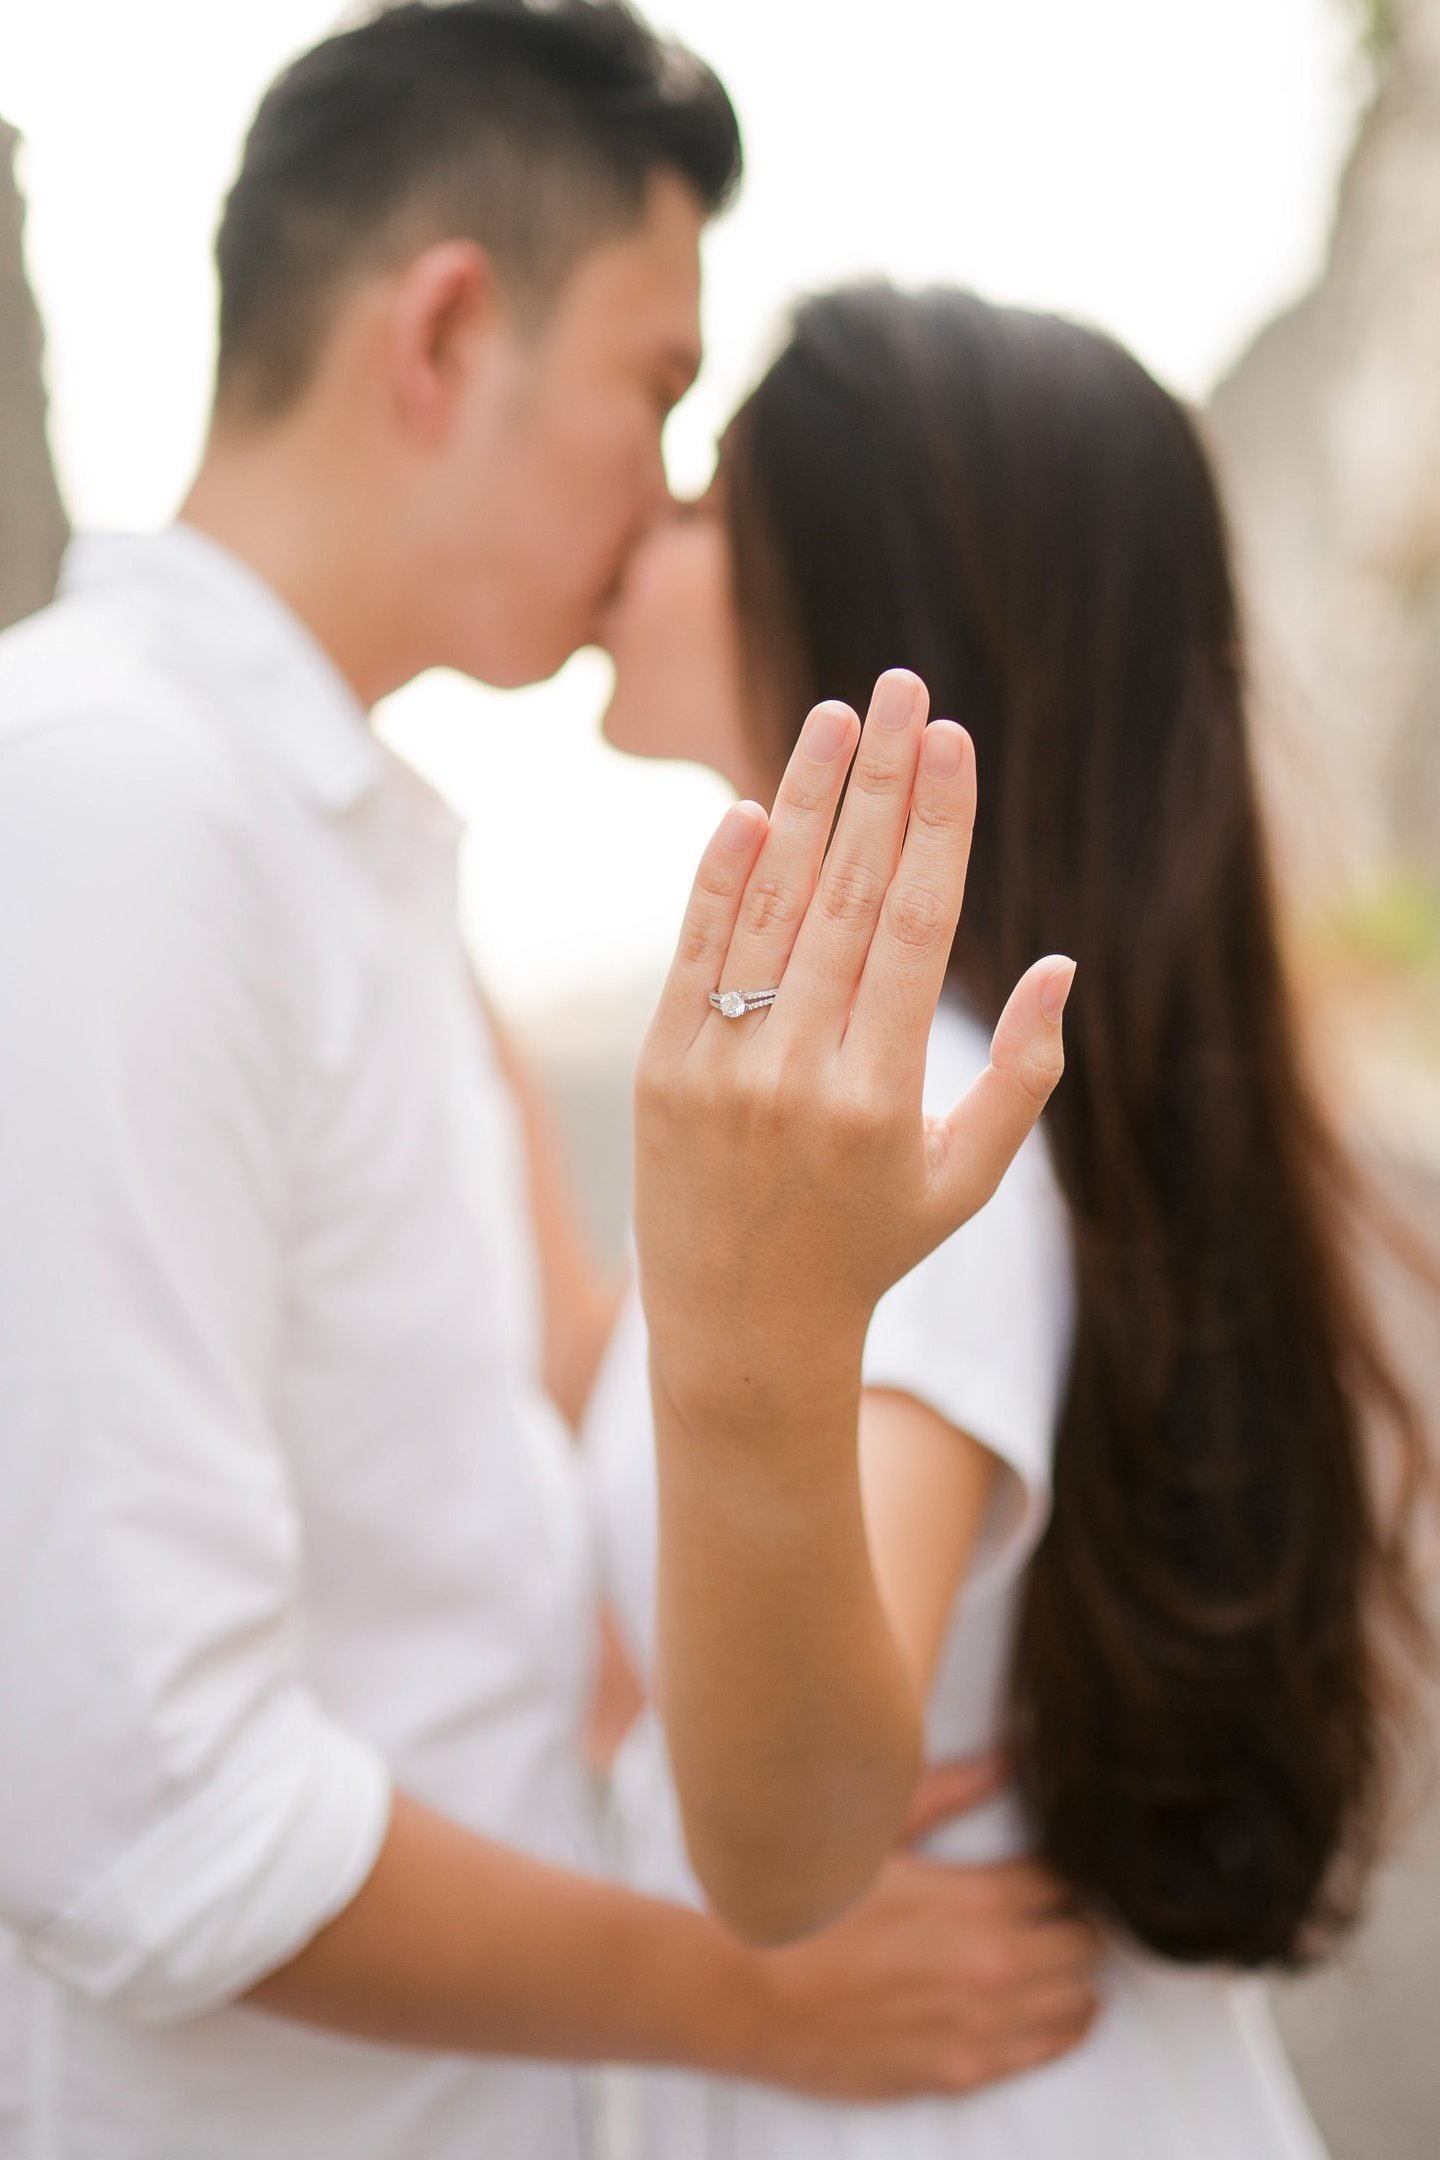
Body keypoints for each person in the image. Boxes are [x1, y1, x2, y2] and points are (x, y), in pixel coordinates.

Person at [0, 9, 1087, 2154]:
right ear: (442, 332)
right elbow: (134, 1814)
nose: (676, 489)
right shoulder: (112, 803)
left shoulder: (331, 840)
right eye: (656, 385)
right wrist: (759, 1992)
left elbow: (449, 1465)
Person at [588, 282, 1436, 2157]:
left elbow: (793, 1846)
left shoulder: (895, 1122)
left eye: (713, 500)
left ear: (855, 605)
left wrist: (737, 1379)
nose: (641, 537)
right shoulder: (952, 1091)